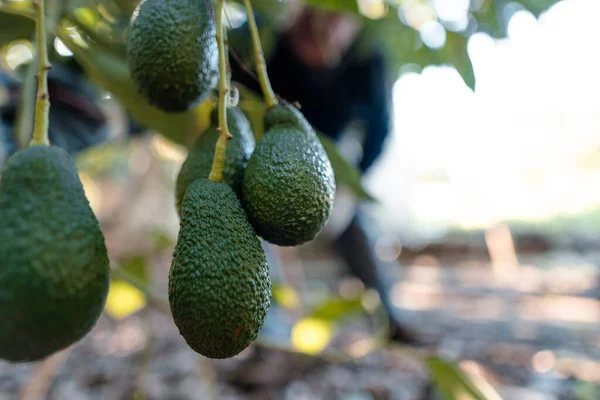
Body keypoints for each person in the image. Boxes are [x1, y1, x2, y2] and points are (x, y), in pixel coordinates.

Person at [230, 4, 422, 344]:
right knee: (250, 235)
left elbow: (378, 133)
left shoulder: (366, 59)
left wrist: (353, 182)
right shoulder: (268, 41)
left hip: (328, 168)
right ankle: (269, 336)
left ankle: (390, 320)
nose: (330, 29)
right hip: (265, 162)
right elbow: (231, 93)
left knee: (359, 233)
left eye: (339, 18)